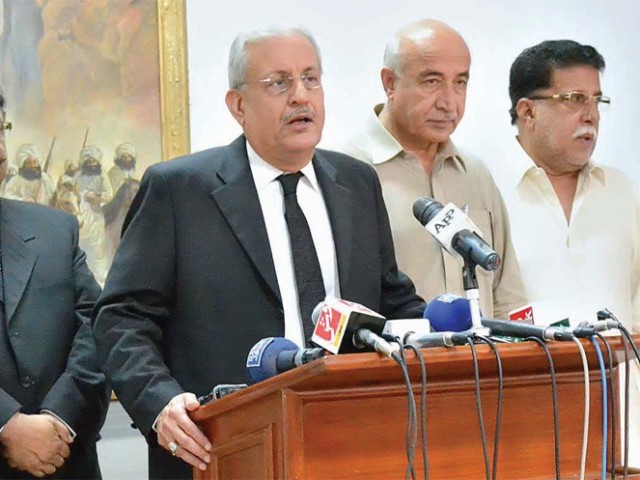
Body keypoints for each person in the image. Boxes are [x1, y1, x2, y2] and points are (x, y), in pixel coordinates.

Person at [93, 27, 425, 479]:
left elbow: (390, 300)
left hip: (351, 439)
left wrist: (454, 334)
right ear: (238, 105)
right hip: (222, 448)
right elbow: (122, 317)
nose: (301, 97)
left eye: (311, 78)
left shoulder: (356, 183)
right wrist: (160, 402)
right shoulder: (180, 190)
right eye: (279, 83)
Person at [495, 39, 639, 463]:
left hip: (625, 426)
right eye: (573, 99)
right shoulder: (489, 190)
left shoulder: (620, 189)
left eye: (596, 100)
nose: (590, 115)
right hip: (525, 415)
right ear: (527, 111)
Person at [344, 19, 526, 319]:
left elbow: (507, 295)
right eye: (432, 81)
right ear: (390, 83)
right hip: (392, 363)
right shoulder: (345, 173)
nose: (449, 103)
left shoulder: (475, 174)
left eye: (460, 83)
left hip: (485, 362)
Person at [0, 90, 109, 478]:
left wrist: (58, 417)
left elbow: (98, 326)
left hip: (64, 461)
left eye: (0, 127)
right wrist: (7, 424)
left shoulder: (54, 230)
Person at [76, 145, 113, 285]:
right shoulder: (78, 175)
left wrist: (96, 197)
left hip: (96, 215)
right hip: (80, 215)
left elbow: (109, 195)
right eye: (89, 161)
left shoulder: (102, 175)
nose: (92, 164)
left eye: (94, 161)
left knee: (97, 248)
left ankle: (99, 280)